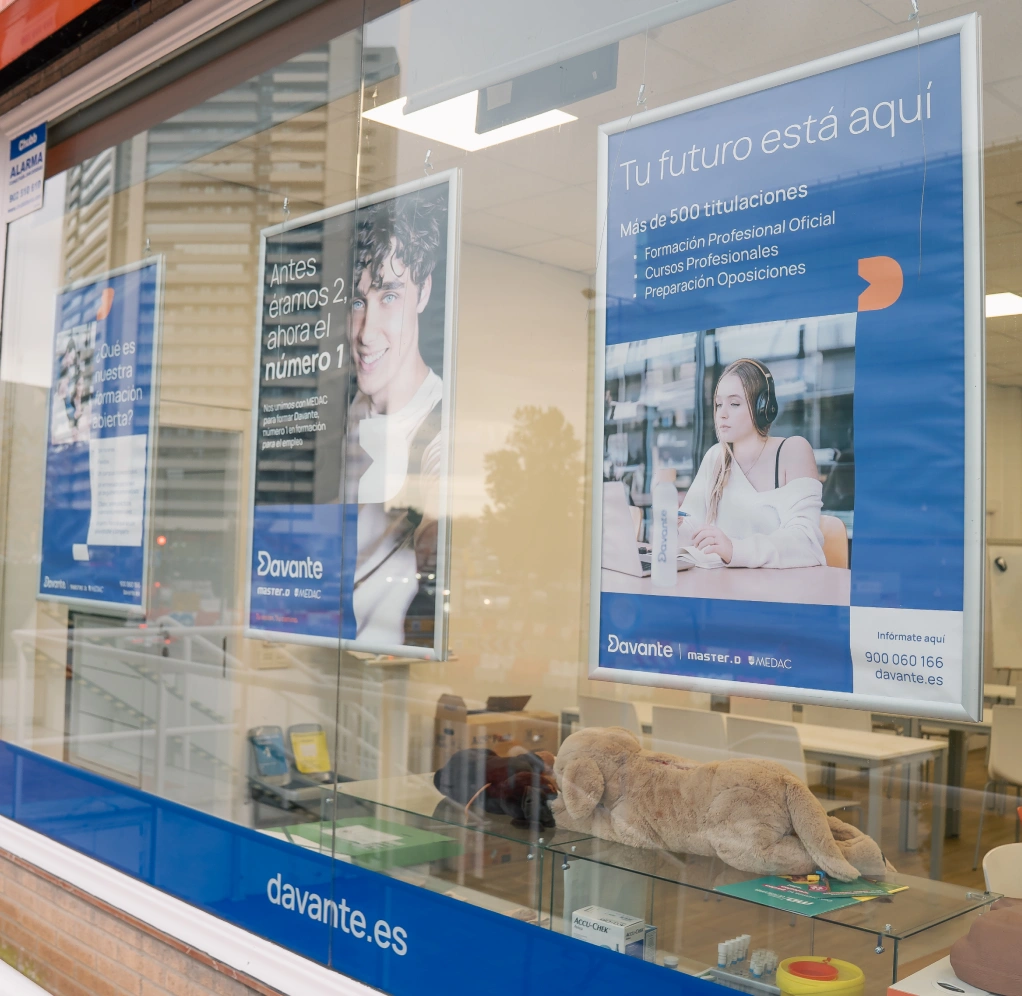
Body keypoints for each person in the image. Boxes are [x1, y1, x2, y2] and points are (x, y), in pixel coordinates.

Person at [341, 189, 446, 647]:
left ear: (423, 292)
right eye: (359, 302)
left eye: (389, 295)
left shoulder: (442, 425)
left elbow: (437, 537)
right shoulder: (351, 413)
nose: (366, 334)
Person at [680, 357, 827, 568]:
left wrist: (733, 549)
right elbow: (691, 526)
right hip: (724, 589)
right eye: (719, 404)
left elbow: (806, 542)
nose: (722, 414)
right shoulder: (716, 457)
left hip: (780, 593)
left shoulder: (792, 451)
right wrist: (672, 527)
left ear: (763, 408)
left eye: (734, 403)